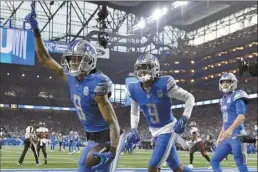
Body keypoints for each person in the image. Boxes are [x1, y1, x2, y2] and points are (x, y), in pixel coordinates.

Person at [25, 4, 123, 172]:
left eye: (77, 59)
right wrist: (36, 30)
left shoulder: (97, 84)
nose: (72, 63)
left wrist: (113, 150)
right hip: (92, 140)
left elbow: (113, 122)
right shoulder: (70, 76)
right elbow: (44, 58)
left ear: (89, 60)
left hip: (107, 139)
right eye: (71, 60)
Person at [127, 53, 195, 172]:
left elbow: (189, 97)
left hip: (168, 129)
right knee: (177, 168)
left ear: (155, 68)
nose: (142, 72)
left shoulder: (164, 84)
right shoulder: (134, 89)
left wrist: (184, 117)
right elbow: (134, 112)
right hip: (154, 132)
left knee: (153, 167)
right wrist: (133, 129)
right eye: (139, 68)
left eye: (146, 67)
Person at [210, 72, 249, 172]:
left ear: (234, 83)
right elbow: (225, 122)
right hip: (227, 136)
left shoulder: (238, 95)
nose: (225, 84)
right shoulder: (223, 99)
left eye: (228, 81)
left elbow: (241, 116)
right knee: (214, 161)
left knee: (240, 162)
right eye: (223, 82)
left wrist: (231, 130)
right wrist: (220, 137)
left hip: (238, 135)